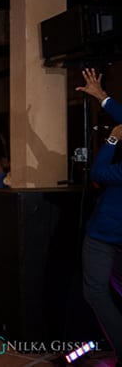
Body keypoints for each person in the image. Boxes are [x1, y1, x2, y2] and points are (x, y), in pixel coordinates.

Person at [77, 68, 122, 366]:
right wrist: (104, 99)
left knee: (94, 290)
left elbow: (98, 173)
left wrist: (112, 142)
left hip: (106, 233)